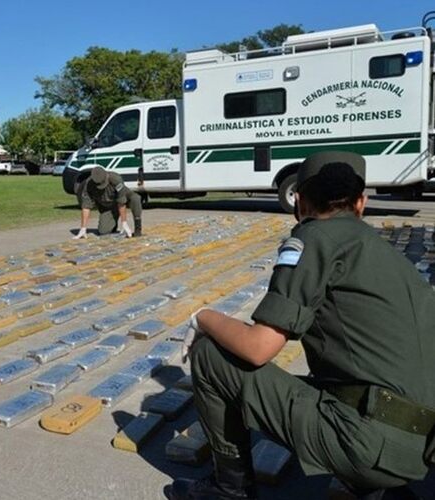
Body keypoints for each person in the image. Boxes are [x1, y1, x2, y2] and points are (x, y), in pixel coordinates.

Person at [168, 151, 435, 500]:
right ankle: (376, 485)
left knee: (210, 355)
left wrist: (202, 316)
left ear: (300, 202)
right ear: (361, 202)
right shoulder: (384, 253)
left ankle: (229, 490)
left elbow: (258, 347)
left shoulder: (314, 239)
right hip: (419, 446)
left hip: (368, 444)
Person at [73, 166, 142, 238]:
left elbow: (121, 201)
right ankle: (113, 222)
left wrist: (124, 222)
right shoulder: (88, 185)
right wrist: (83, 228)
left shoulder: (116, 179)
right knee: (103, 231)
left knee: (135, 199)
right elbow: (86, 207)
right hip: (109, 206)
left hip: (123, 198)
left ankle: (138, 228)